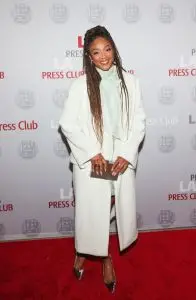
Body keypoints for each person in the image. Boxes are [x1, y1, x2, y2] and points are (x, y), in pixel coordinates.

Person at [59, 25, 146, 293]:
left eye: (107, 49)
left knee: (112, 211)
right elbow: (67, 124)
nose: (104, 56)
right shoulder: (79, 86)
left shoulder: (131, 81)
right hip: (92, 163)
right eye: (96, 52)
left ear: (114, 49)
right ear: (89, 56)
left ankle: (92, 252)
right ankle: (98, 256)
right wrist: (92, 152)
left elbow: (139, 121)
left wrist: (127, 153)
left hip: (119, 161)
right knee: (90, 213)